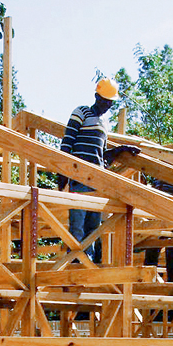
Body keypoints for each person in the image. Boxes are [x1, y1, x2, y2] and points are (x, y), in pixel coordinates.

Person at [57, 78, 139, 263]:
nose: (108, 105)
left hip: (97, 181)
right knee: (77, 225)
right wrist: (62, 173)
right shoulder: (81, 112)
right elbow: (67, 143)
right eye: (105, 100)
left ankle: (88, 263)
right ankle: (75, 263)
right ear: (96, 97)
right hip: (79, 177)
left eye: (110, 102)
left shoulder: (104, 123)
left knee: (93, 227)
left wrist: (121, 150)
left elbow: (101, 155)